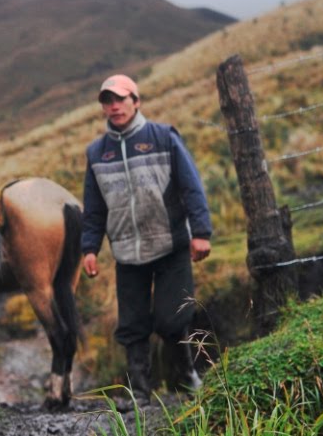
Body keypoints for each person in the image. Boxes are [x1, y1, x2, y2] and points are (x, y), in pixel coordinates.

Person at [80, 74, 213, 403]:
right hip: (127, 252)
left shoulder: (163, 137)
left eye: (120, 99)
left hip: (170, 245)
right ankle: (139, 392)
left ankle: (185, 379)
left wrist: (201, 232)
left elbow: (191, 187)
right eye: (107, 101)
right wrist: (90, 248)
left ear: (136, 102)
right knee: (132, 325)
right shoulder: (96, 153)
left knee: (172, 318)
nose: (114, 106)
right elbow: (94, 208)